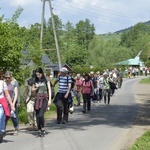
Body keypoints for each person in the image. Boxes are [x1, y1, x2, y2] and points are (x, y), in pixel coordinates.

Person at [32, 67, 51, 137]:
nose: (38, 76)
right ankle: (39, 129)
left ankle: (42, 127)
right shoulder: (35, 80)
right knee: (37, 115)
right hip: (37, 98)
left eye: (39, 74)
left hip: (44, 98)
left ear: (41, 73)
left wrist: (49, 100)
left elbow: (49, 89)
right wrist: (36, 87)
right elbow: (32, 90)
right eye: (37, 74)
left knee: (41, 114)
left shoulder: (46, 79)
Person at [0, 76, 15, 142]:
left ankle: (1, 131)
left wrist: (12, 105)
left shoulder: (2, 83)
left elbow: (7, 95)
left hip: (1, 103)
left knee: (1, 118)